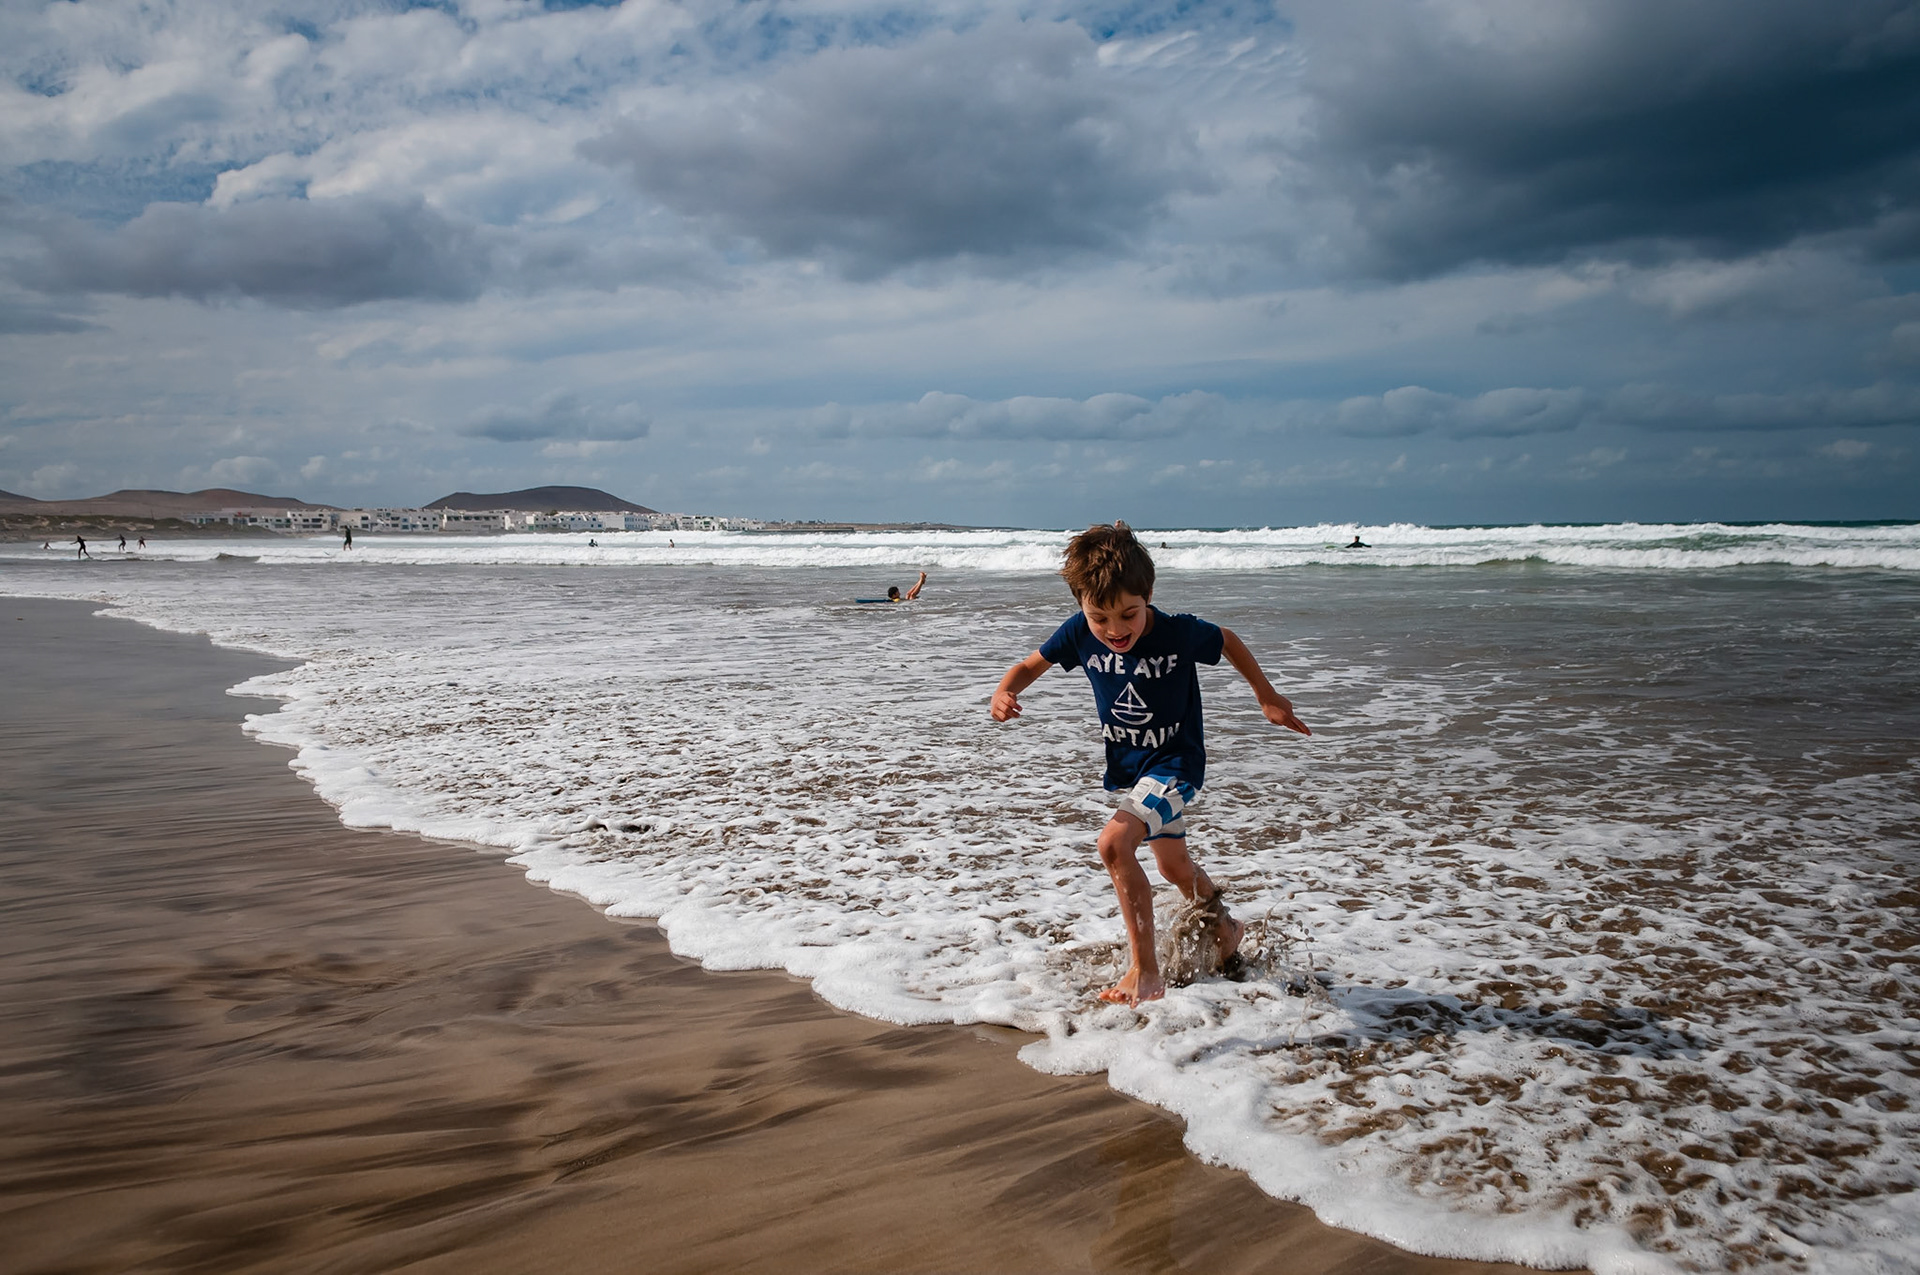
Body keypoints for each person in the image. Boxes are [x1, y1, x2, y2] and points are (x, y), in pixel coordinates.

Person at [989, 522, 1310, 1006]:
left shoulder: (1178, 632)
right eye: (1100, 617)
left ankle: (1144, 972)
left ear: (1149, 595)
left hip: (1176, 765)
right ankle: (1225, 929)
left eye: (1129, 614)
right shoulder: (1079, 632)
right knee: (1174, 866)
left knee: (1115, 844)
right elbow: (1031, 664)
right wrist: (1005, 690)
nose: (1116, 630)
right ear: (1080, 604)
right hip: (1135, 771)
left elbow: (1225, 640)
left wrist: (1267, 696)